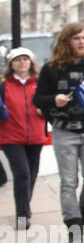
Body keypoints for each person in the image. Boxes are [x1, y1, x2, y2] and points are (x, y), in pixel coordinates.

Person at [35, 23, 84, 243]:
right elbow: (38, 99)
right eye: (76, 38)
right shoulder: (51, 69)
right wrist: (54, 100)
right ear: (66, 41)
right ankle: (73, 226)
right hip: (64, 131)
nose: (81, 42)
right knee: (69, 181)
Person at [1, 48, 49, 231]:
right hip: (11, 136)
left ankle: (25, 206)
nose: (22, 63)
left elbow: (47, 103)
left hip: (35, 136)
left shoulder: (39, 83)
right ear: (11, 64)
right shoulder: (4, 85)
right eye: (18, 60)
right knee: (22, 173)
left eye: (25, 59)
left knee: (32, 174)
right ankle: (22, 215)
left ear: (31, 62)